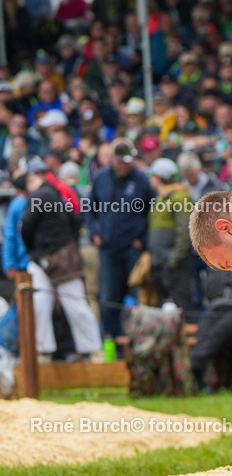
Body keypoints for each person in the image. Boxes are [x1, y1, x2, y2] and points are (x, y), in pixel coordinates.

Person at [20, 168, 102, 360]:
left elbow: (26, 226)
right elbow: (76, 221)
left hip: (52, 257)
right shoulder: (59, 193)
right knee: (68, 304)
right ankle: (92, 350)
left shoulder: (39, 195)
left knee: (49, 304)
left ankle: (44, 352)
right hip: (60, 254)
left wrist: (33, 250)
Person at [87, 138, 154, 338]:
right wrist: (95, 233)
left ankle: (137, 341)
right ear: (113, 160)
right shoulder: (100, 178)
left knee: (136, 296)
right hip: (108, 248)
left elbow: (151, 212)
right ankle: (112, 343)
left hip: (133, 248)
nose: (123, 166)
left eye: (127, 162)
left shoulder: (141, 180)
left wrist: (142, 238)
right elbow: (90, 210)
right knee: (109, 298)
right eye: (120, 162)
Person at [146, 158, 195, 315]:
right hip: (161, 265)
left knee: (182, 309)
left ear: (160, 177)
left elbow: (185, 233)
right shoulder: (161, 197)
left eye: (152, 175)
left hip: (175, 267)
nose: (150, 178)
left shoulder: (180, 197)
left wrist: (173, 261)